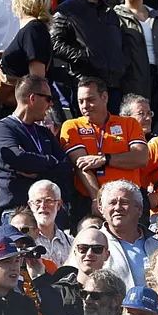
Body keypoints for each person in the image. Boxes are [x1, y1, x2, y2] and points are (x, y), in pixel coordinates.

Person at [60, 77, 147, 219]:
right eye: (81, 101)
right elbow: (81, 166)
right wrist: (99, 201)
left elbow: (141, 158)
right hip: (89, 200)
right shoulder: (72, 126)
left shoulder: (129, 123)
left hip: (130, 199)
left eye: (90, 99)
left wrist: (105, 159)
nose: (85, 106)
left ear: (104, 97)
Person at [0, 75, 71, 213]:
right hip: (18, 211)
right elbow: (17, 158)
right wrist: (51, 162)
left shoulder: (44, 132)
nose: (51, 104)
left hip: (50, 211)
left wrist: (36, 171)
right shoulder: (2, 128)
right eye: (48, 99)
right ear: (33, 98)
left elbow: (66, 167)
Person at [34, 226, 111, 315]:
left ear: (107, 255)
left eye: (97, 249)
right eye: (83, 248)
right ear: (75, 252)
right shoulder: (57, 290)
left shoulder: (114, 292)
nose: (89, 253)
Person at [98, 180, 158, 289]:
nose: (118, 208)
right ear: (102, 210)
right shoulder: (90, 245)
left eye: (124, 202)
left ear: (140, 209)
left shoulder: (157, 246)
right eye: (112, 203)